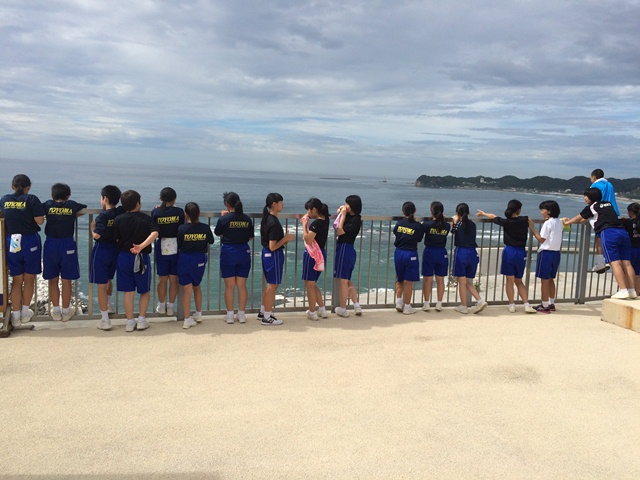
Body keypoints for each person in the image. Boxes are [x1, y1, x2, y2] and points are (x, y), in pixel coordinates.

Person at [563, 188, 636, 299]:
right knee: (627, 263)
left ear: (591, 197)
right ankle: (631, 290)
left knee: (615, 262)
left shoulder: (591, 207)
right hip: (622, 232)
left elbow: (579, 217)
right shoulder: (608, 204)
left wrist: (567, 222)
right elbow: (590, 217)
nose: (584, 198)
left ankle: (623, 290)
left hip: (609, 233)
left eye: (586, 196)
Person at [0, 174, 44, 327]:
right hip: (29, 240)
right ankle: (25, 313)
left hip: (12, 240)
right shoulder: (31, 199)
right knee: (29, 278)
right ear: (28, 187)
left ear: (12, 186)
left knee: (16, 279)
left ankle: (15, 315)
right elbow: (40, 220)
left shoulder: (5, 199)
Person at [477, 200, 536, 313]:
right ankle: (526, 305)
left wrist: (483, 213)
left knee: (509, 280)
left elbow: (493, 216)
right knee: (519, 281)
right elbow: (530, 222)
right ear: (519, 210)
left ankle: (512, 305)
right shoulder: (525, 219)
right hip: (521, 252)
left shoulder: (506, 222)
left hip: (509, 251)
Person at [113, 190, 159, 332]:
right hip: (141, 258)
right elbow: (155, 233)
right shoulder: (146, 219)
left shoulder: (118, 219)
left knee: (128, 291)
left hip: (124, 257)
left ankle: (129, 321)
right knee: (144, 290)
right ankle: (141, 320)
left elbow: (116, 238)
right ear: (138, 203)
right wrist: (141, 246)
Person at [43, 183, 87, 321]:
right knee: (67, 279)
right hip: (67, 244)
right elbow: (84, 208)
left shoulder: (47, 205)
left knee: (53, 278)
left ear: (52, 195)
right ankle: (66, 311)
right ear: (68, 196)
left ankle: (56, 311)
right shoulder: (72, 205)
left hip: (51, 243)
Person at [214, 192, 254, 324]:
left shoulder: (224, 219)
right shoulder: (247, 219)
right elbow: (250, 237)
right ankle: (241, 314)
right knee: (242, 286)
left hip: (229, 252)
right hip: (243, 251)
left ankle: (230, 315)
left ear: (226, 204)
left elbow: (217, 232)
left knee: (229, 286)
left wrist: (222, 217)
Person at [259, 193, 294, 326]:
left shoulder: (266, 218)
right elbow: (273, 246)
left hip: (266, 254)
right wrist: (285, 239)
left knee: (270, 286)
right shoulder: (273, 222)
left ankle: (263, 311)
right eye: (281, 202)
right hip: (273, 256)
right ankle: (267, 317)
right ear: (274, 204)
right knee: (272, 286)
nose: (283, 205)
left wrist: (283, 240)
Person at [177, 202, 215, 329]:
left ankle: (187, 319)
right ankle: (198, 313)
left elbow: (179, 244)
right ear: (199, 213)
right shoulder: (205, 228)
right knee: (197, 286)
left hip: (184, 259)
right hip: (199, 259)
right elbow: (211, 241)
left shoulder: (182, 229)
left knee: (187, 290)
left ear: (186, 214)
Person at [90, 185, 122, 330]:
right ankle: (109, 304)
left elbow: (97, 235)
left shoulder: (102, 216)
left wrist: (92, 228)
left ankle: (104, 319)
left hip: (101, 250)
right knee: (109, 278)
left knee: (101, 285)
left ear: (105, 198)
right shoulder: (120, 212)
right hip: (115, 249)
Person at [151, 187, 185, 316]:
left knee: (162, 278)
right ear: (174, 199)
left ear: (161, 199)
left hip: (162, 245)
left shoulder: (156, 212)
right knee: (174, 278)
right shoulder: (179, 212)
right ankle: (171, 307)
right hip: (176, 245)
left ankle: (161, 305)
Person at [451, 203, 487, 314]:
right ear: (468, 212)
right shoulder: (472, 224)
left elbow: (453, 233)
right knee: (467, 282)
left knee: (461, 282)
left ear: (457, 213)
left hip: (461, 253)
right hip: (473, 253)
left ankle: (463, 306)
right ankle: (480, 300)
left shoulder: (458, 224)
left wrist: (454, 222)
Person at [528, 200, 563, 313]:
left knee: (544, 280)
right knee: (551, 279)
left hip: (546, 253)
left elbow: (541, 239)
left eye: (543, 210)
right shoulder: (559, 222)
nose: (541, 212)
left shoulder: (548, 223)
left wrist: (532, 228)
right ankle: (551, 303)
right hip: (556, 253)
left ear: (549, 211)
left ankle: (544, 305)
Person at [333, 195, 363, 317]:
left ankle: (343, 308)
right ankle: (356, 305)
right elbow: (339, 212)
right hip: (349, 250)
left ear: (352, 206)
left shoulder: (355, 220)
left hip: (344, 249)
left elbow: (339, 231)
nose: (345, 206)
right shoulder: (354, 218)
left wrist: (344, 214)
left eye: (347, 204)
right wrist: (342, 211)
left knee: (343, 280)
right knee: (347, 279)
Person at [301, 198, 330, 321]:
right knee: (312, 283)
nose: (308, 212)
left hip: (312, 255)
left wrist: (304, 225)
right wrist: (308, 216)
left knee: (309, 284)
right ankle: (322, 309)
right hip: (321, 254)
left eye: (309, 210)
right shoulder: (325, 220)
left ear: (314, 209)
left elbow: (308, 240)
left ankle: (312, 312)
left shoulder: (316, 224)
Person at [393, 201, 424, 314]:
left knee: (399, 278)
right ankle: (407, 306)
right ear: (415, 211)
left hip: (399, 252)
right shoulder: (417, 226)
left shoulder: (399, 223)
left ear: (402, 212)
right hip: (410, 254)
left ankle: (398, 302)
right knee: (408, 281)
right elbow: (419, 239)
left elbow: (396, 232)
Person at [421, 201, 450, 312]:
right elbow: (443, 224)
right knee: (440, 279)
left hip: (429, 252)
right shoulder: (447, 225)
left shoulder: (427, 225)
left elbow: (421, 229)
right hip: (442, 252)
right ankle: (439, 303)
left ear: (431, 212)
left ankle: (426, 303)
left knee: (427, 279)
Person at [590, 169, 619, 273]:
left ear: (594, 177)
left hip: (601, 214)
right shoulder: (609, 184)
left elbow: (592, 200)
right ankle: (608, 261)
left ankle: (601, 263)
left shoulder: (595, 185)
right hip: (613, 213)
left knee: (599, 240)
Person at [621, 203, 640, 296]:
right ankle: (637, 292)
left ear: (630, 212)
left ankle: (628, 291)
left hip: (630, 249)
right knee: (637, 272)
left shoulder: (627, 223)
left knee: (627, 270)